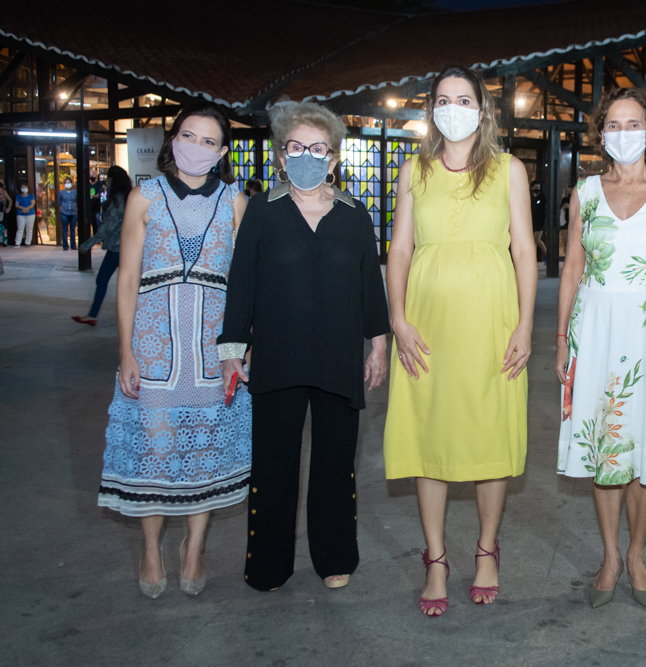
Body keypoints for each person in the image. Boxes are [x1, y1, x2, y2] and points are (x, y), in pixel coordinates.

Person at [219, 101, 391, 593]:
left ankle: (334, 556)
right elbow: (241, 284)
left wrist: (377, 345)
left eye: (318, 149)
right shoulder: (261, 212)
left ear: (334, 159)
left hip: (339, 356)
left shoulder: (355, 215)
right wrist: (232, 347)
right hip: (277, 355)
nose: (307, 157)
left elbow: (369, 287)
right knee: (274, 465)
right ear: (280, 157)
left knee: (336, 464)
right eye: (297, 148)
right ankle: (268, 564)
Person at [383, 64, 536, 617]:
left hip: (492, 323)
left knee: (489, 434)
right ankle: (437, 559)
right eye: (443, 99)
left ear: (482, 109)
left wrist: (524, 325)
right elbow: (399, 250)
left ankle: (487, 549)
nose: (453, 108)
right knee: (431, 434)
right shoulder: (412, 171)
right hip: (426, 324)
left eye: (464, 99)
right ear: (432, 111)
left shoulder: (508, 170)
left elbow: (524, 250)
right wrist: (397, 318)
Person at [96, 102, 252, 599]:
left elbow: (245, 284)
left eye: (209, 141)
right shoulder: (146, 196)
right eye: (189, 136)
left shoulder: (235, 201)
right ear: (172, 141)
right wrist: (126, 351)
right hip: (153, 344)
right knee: (156, 451)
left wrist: (244, 347)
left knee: (204, 451)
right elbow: (127, 280)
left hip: (214, 347)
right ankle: (150, 548)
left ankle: (194, 548)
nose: (197, 147)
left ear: (223, 151)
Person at [555, 87, 646, 611]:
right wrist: (560, 340)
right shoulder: (585, 193)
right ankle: (610, 557)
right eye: (612, 125)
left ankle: (637, 555)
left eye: (632, 123)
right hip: (594, 333)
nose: (622, 133)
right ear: (600, 134)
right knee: (606, 451)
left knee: (645, 452)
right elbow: (572, 267)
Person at [73, 166, 131, 326]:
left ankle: (93, 314)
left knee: (105, 279)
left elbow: (108, 227)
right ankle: (93, 314)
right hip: (124, 246)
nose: (106, 181)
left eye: (108, 178)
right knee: (111, 279)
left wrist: (88, 244)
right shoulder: (128, 197)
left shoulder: (118, 199)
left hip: (118, 247)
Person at [58, 178, 78, 250]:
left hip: (74, 213)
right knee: (64, 229)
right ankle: (65, 245)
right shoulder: (61, 192)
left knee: (73, 229)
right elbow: (59, 201)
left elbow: (78, 201)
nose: (67, 184)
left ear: (71, 183)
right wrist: (64, 206)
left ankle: (73, 245)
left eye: (69, 182)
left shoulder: (75, 192)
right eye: (66, 183)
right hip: (64, 213)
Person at [530, 179, 547, 260]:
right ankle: (533, 258)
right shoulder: (531, 197)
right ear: (532, 188)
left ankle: (547, 254)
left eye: (538, 187)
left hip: (540, 222)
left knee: (537, 239)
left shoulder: (542, 197)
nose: (537, 189)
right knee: (533, 241)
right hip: (532, 222)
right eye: (536, 187)